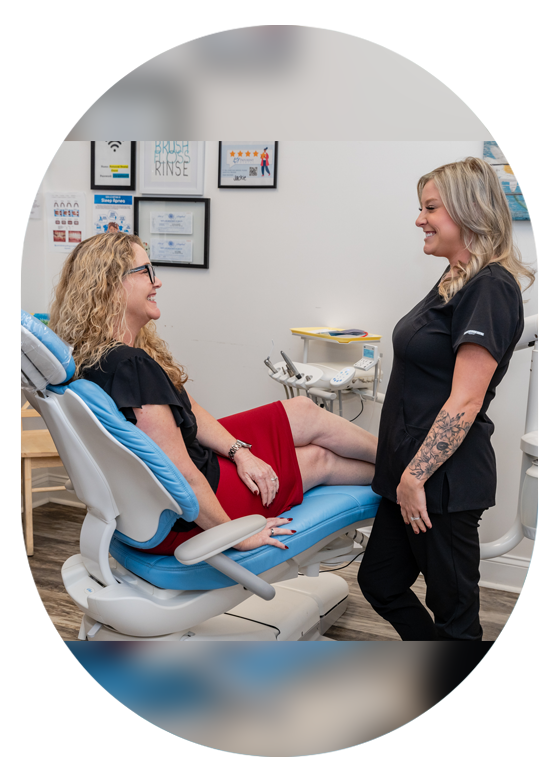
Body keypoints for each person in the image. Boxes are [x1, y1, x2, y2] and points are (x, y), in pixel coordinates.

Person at [49, 232, 378, 554]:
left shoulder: (95, 355)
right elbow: (181, 475)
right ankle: (405, 478)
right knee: (319, 459)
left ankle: (401, 462)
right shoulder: (128, 365)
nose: (157, 282)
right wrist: (236, 536)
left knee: (303, 409)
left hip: (172, 491)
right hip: (189, 514)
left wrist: (241, 453)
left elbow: (184, 406)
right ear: (112, 284)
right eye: (146, 272)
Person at [357, 157, 535, 641]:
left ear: (468, 210)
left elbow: (464, 402)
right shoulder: (456, 278)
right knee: (379, 581)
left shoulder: (490, 288)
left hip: (441, 483)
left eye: (430, 207)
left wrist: (415, 477)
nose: (419, 219)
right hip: (410, 475)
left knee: (455, 615)